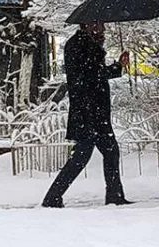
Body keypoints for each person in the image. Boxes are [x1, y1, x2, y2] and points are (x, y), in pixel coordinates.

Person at [42, 22, 132, 207]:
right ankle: (53, 197)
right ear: (89, 24)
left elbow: (93, 74)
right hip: (88, 111)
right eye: (100, 24)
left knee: (107, 152)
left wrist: (115, 65)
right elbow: (93, 75)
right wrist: (117, 67)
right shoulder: (80, 45)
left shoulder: (85, 44)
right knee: (84, 156)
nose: (104, 28)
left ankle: (114, 195)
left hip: (92, 111)